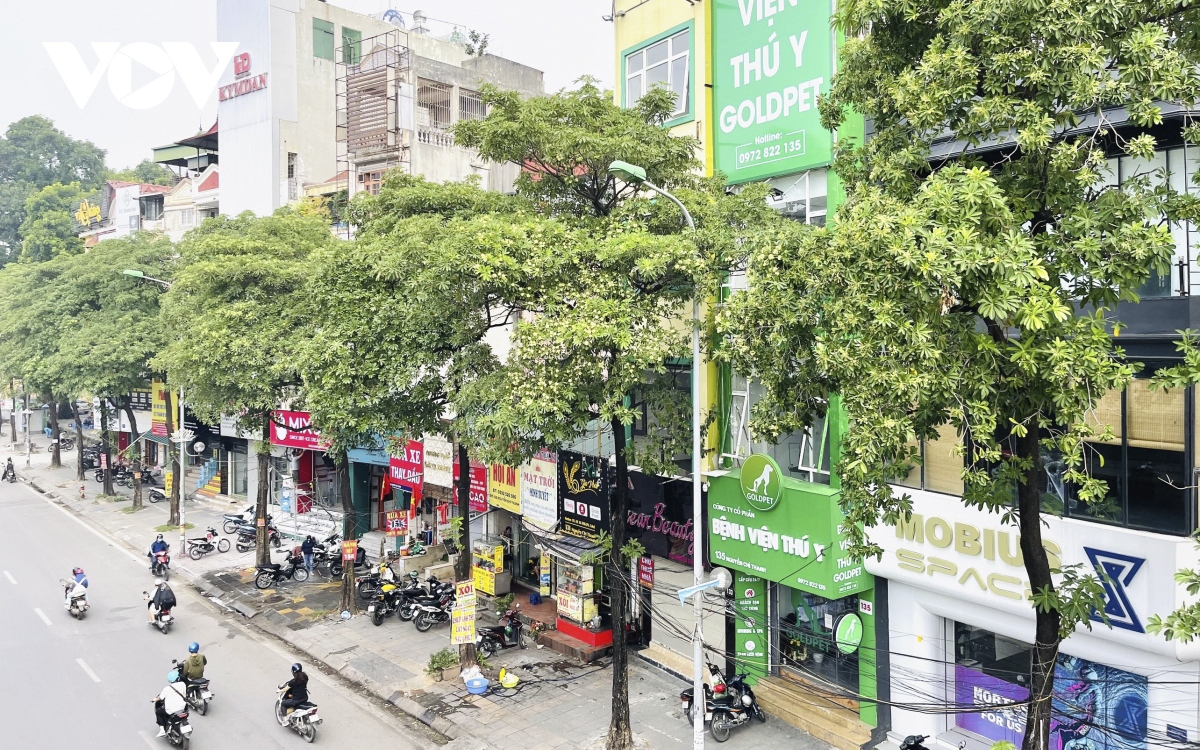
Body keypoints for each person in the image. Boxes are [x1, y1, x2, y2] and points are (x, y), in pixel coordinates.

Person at [152, 670, 188, 737]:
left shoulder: (167, 688)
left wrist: (155, 699)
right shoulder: (183, 684)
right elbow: (184, 695)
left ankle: (162, 730)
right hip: (182, 708)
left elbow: (161, 698)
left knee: (158, 712)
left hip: (170, 711)